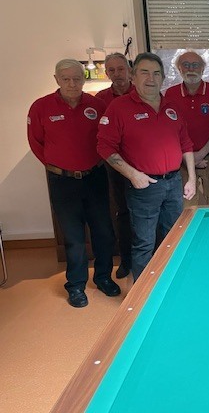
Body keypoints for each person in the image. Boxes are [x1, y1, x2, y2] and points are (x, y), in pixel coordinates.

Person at [27, 59, 120, 307]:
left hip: (95, 177)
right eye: (66, 79)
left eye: (77, 78)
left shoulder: (97, 105)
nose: (72, 84)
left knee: (103, 232)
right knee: (74, 237)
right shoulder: (41, 107)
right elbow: (36, 142)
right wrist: (57, 165)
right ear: (56, 79)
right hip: (62, 181)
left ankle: (103, 277)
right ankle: (76, 285)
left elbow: (106, 138)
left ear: (84, 79)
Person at [97, 52, 196, 281]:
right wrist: (133, 175)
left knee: (173, 238)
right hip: (144, 187)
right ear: (133, 76)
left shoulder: (172, 107)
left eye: (156, 73)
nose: (151, 78)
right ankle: (143, 293)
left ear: (163, 78)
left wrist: (190, 177)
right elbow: (104, 147)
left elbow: (186, 144)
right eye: (144, 73)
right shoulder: (119, 107)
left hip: (173, 183)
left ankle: (169, 284)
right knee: (144, 243)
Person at [165, 51, 209, 206]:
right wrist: (188, 158)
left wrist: (200, 155)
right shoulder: (171, 94)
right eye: (186, 65)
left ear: (203, 68)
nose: (191, 68)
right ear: (179, 69)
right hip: (182, 160)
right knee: (187, 206)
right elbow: (169, 131)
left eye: (195, 65)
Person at [96, 52, 135, 279]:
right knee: (122, 212)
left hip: (142, 162)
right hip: (115, 165)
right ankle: (126, 259)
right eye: (111, 70)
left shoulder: (142, 92)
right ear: (106, 73)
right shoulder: (100, 99)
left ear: (129, 70)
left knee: (147, 211)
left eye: (121, 69)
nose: (117, 74)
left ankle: (152, 257)